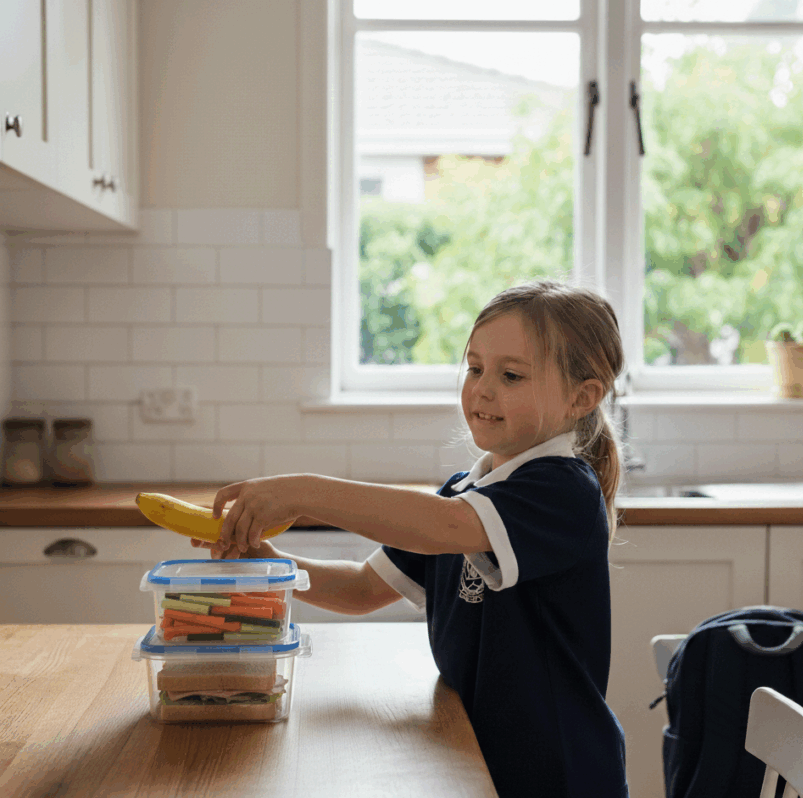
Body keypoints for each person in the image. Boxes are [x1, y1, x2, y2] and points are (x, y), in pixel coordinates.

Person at [192, 279, 629, 798]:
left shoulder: (561, 490)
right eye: (474, 368)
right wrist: (269, 561)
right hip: (476, 753)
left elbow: (440, 526)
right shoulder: (466, 493)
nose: (482, 388)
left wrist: (303, 492)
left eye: (510, 375)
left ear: (583, 397)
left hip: (557, 771)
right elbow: (359, 589)